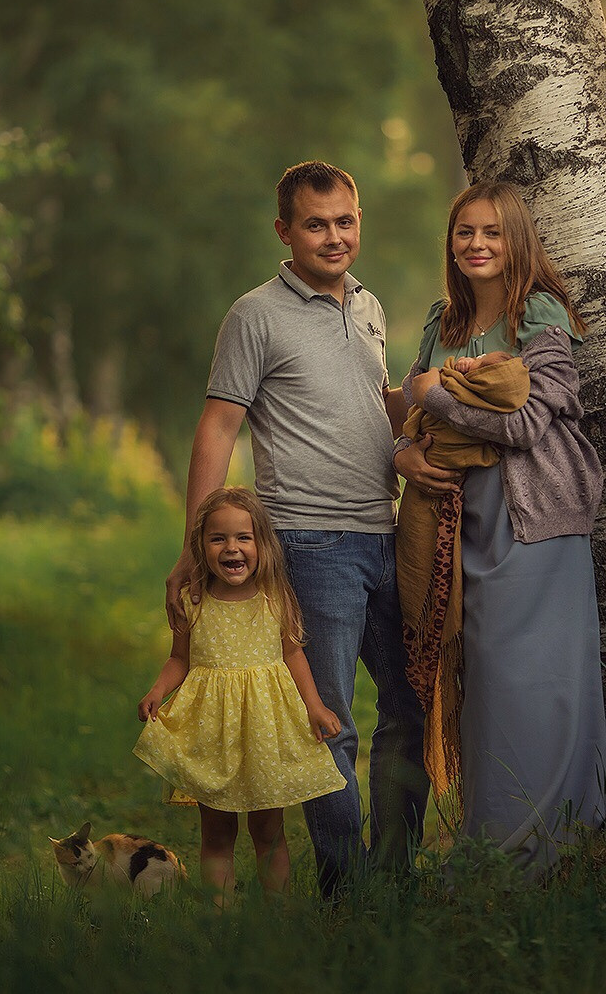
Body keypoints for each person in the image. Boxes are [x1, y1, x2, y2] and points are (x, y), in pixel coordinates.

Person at [164, 160, 431, 895]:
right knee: (329, 722)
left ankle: (395, 874)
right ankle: (345, 893)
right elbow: (218, 426)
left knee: (410, 707)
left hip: (387, 532)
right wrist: (195, 546)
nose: (334, 236)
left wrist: (431, 421)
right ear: (285, 231)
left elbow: (369, 403)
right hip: (311, 545)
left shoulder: (370, 305)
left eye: (345, 220)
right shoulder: (255, 314)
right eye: (316, 223)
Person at [393, 180, 606, 875]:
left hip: (536, 519)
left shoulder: (537, 314)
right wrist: (400, 451)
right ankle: (491, 839)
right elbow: (407, 409)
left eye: (491, 232)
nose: (476, 244)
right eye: (464, 232)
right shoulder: (443, 322)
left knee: (534, 680)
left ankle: (542, 847)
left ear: (514, 240)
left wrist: (436, 395)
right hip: (463, 525)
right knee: (487, 680)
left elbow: (524, 424)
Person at [134, 486, 345, 904]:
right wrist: (158, 690)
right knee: (217, 833)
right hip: (212, 735)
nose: (232, 548)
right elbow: (180, 658)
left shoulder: (274, 599)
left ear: (262, 544)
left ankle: (277, 911)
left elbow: (293, 655)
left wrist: (315, 706)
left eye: (243, 538)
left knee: (268, 831)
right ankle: (221, 914)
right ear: (201, 547)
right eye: (218, 539)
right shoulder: (192, 602)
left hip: (265, 733)